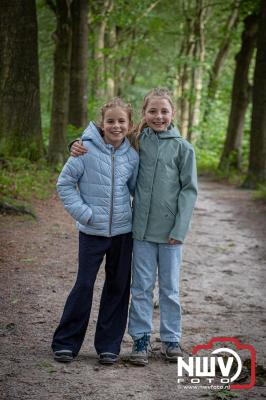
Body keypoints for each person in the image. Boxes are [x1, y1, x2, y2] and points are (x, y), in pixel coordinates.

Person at [70, 88, 198, 366]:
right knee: (140, 286)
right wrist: (76, 142)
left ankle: (171, 338)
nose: (158, 116)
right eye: (152, 111)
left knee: (170, 288)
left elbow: (189, 191)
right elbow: (104, 139)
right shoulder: (136, 141)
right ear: (143, 114)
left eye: (164, 111)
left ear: (173, 114)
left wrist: (180, 229)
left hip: (170, 234)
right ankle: (141, 338)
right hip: (138, 231)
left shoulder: (183, 148)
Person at [51, 98, 139, 365]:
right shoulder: (83, 151)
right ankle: (66, 343)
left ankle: (109, 345)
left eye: (121, 121)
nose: (116, 125)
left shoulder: (132, 156)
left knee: (118, 286)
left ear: (129, 124)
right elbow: (64, 184)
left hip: (123, 233)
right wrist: (85, 214)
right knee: (84, 284)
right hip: (92, 231)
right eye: (110, 121)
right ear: (102, 123)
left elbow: (137, 190)